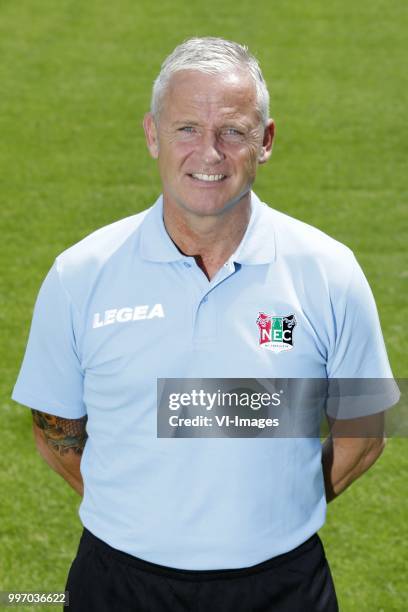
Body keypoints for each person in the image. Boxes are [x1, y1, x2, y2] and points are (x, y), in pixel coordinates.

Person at [12, 37, 399, 612]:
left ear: (265, 142)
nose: (209, 152)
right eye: (187, 128)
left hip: (283, 585)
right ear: (152, 135)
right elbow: (54, 428)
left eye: (233, 131)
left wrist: (281, 507)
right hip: (118, 584)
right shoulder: (80, 274)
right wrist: (137, 515)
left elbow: (365, 426)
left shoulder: (329, 271)